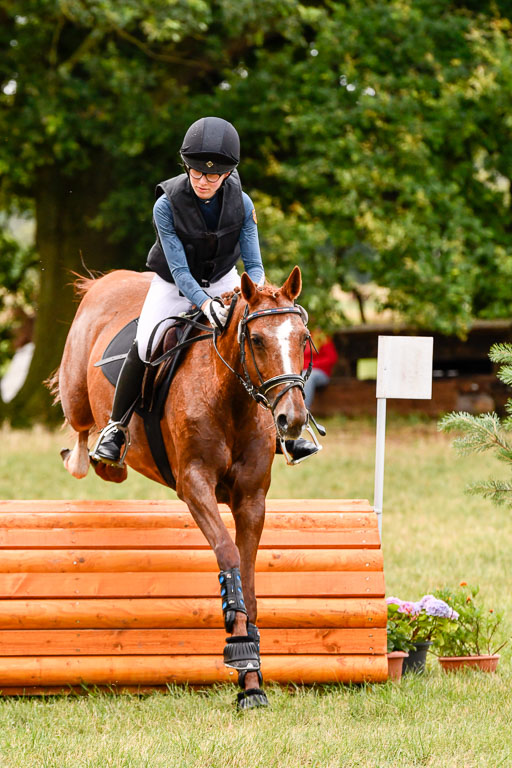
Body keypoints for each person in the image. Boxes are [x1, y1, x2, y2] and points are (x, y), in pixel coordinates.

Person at [90, 116, 318, 466]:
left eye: (212, 174)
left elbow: (253, 264)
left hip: (226, 281)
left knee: (254, 338)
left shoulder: (242, 204)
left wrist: (254, 296)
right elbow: (180, 270)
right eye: (195, 171)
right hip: (173, 284)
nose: (203, 180)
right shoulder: (165, 205)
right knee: (148, 342)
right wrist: (204, 304)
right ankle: (116, 429)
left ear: (227, 173)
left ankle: (283, 433)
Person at [303, 333, 338, 409]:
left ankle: (304, 410)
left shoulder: (323, 338)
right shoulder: (300, 337)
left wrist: (309, 365)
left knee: (308, 376)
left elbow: (331, 358)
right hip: (302, 371)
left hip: (320, 374)